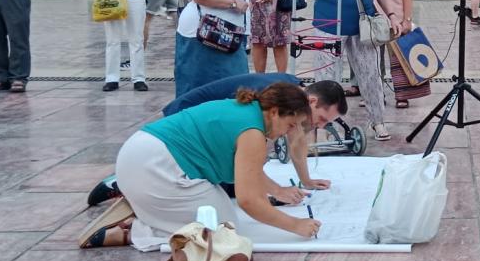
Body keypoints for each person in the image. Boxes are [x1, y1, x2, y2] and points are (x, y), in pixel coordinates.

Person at [78, 83, 324, 250]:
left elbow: (249, 174)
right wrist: (295, 226)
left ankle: (144, 204)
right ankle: (133, 231)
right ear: (275, 112)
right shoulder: (253, 133)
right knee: (221, 230)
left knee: (220, 210)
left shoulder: (246, 109)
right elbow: (249, 200)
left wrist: (275, 190)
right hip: (153, 168)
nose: (289, 132)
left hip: (140, 154)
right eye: (291, 124)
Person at [87, 76, 348, 207]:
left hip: (208, 127)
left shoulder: (294, 103)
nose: (320, 126)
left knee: (233, 185)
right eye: (323, 118)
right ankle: (125, 183)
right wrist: (277, 190)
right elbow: (251, 166)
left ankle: (140, 185)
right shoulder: (284, 96)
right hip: (186, 120)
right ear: (312, 102)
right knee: (233, 190)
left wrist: (306, 181)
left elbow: (298, 144)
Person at [308, 0, 390, 141]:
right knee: (327, 77)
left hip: (362, 26)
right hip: (328, 24)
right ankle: (324, 123)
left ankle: (378, 122)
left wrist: (392, 13)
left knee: (370, 75)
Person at [374, 0, 428, 109]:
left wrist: (407, 19)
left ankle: (402, 95)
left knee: (398, 60)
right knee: (373, 62)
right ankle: (376, 94)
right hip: (372, 21)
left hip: (394, 19)